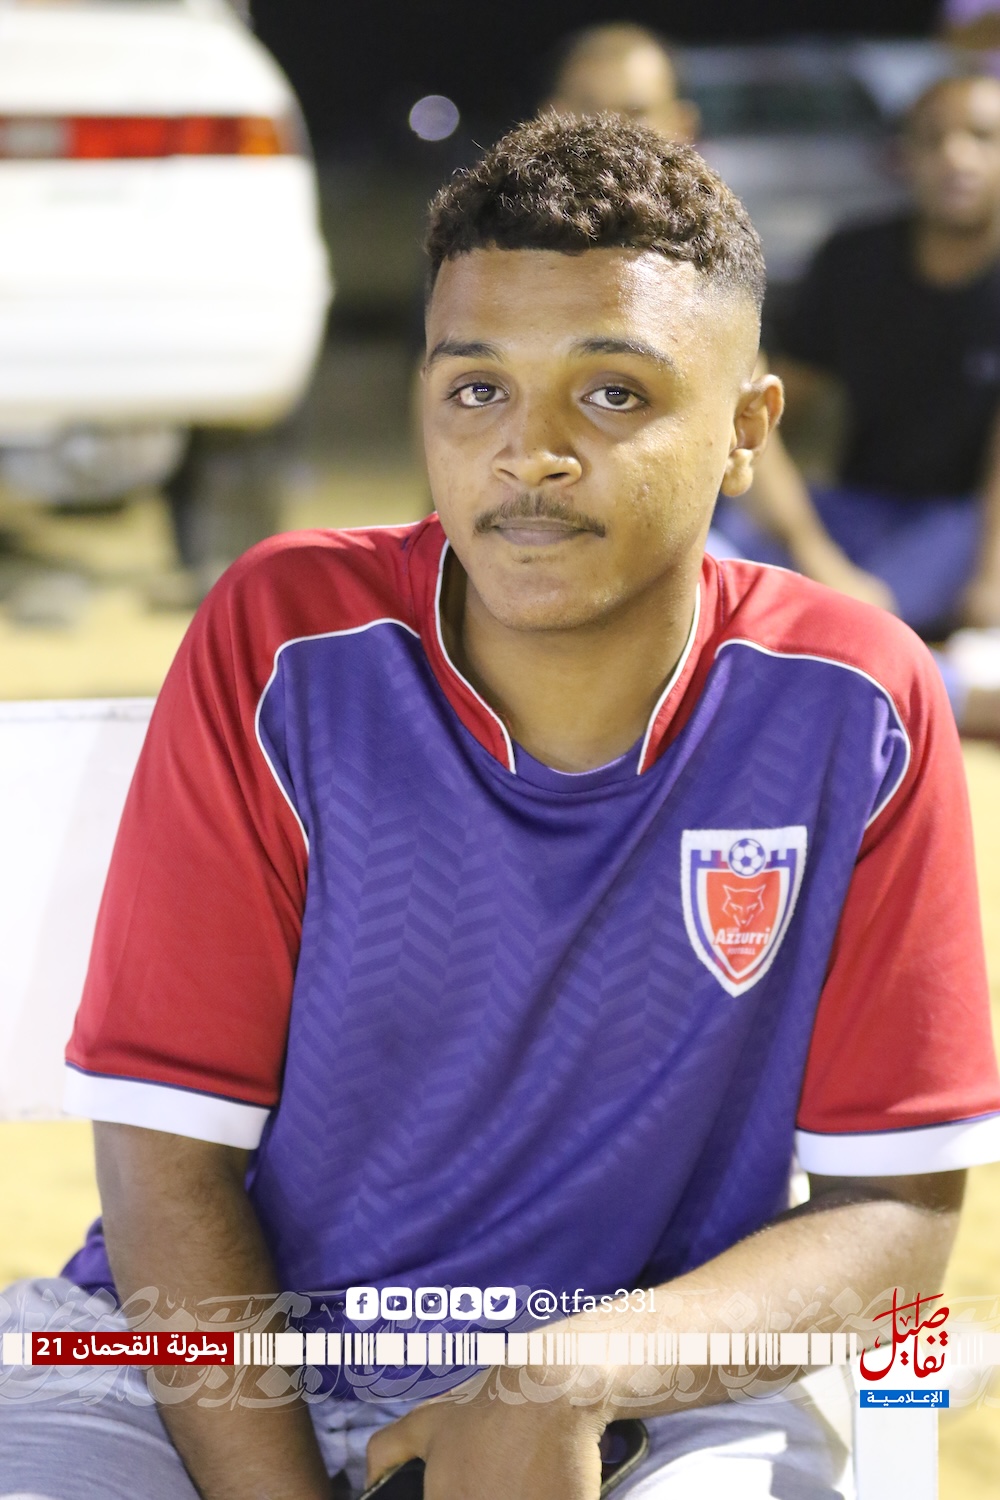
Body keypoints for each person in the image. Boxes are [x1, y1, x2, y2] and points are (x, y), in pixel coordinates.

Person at [3, 113, 1000, 1500]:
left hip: (638, 1384)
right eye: (476, 389)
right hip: (184, 1361)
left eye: (614, 393)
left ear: (746, 432)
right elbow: (165, 1169)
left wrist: (562, 1378)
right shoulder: (285, 639)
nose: (530, 451)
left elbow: (892, 1215)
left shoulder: (853, 702)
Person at [715, 73, 1000, 640]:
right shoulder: (855, 258)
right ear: (902, 155)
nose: (955, 156)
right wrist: (807, 543)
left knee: (862, 623)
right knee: (722, 549)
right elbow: (777, 402)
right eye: (932, 138)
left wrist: (991, 581)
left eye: (981, 137)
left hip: (967, 519)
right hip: (853, 504)